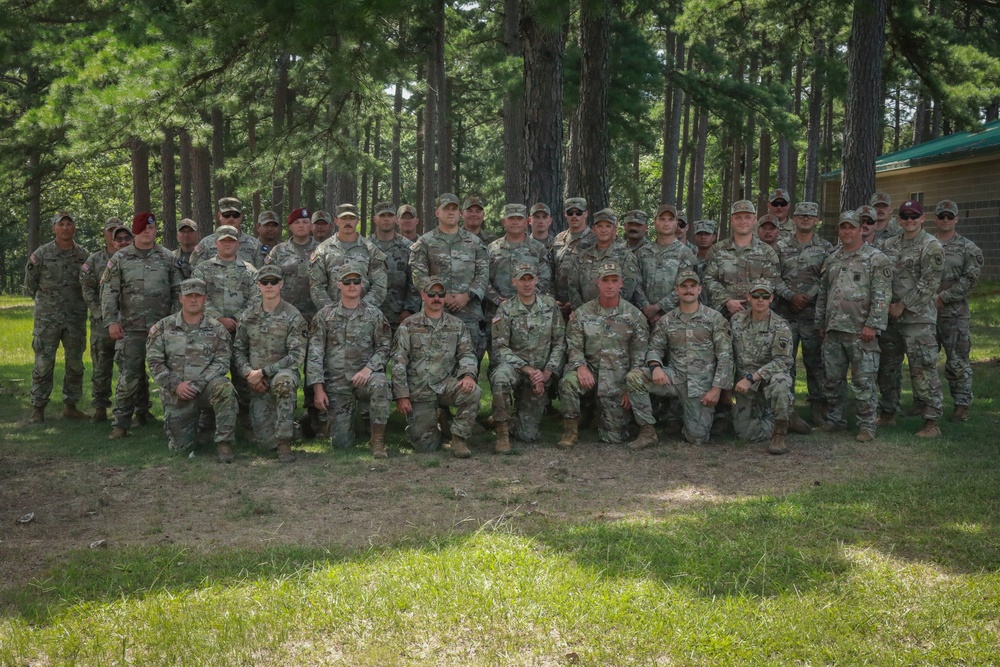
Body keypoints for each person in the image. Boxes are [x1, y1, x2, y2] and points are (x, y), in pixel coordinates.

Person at [627, 270, 732, 446]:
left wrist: (716, 389)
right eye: (684, 286)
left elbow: (725, 357)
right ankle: (647, 432)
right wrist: (656, 367)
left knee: (696, 438)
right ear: (677, 290)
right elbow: (654, 349)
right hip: (674, 377)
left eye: (692, 286)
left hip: (701, 384)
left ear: (699, 289)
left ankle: (685, 420)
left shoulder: (714, 319)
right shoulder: (667, 320)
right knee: (635, 378)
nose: (688, 290)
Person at [558, 262, 656, 449]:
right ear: (598, 283)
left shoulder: (634, 316)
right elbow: (574, 346)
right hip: (590, 372)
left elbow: (639, 356)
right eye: (605, 280)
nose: (610, 285)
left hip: (618, 378)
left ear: (621, 284)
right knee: (568, 382)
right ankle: (570, 431)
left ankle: (603, 417)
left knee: (613, 437)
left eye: (614, 280)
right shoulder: (582, 314)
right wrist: (581, 366)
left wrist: (631, 389)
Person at [101, 212, 180, 438]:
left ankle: (172, 422)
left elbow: (177, 292)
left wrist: (175, 322)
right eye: (143, 227)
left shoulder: (167, 257)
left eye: (151, 228)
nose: (148, 231)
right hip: (130, 327)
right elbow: (109, 292)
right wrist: (111, 321)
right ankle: (121, 424)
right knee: (129, 377)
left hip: (162, 328)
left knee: (169, 376)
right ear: (135, 230)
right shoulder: (120, 258)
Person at [815, 210, 891, 442]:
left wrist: (873, 325)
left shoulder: (876, 259)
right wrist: (820, 322)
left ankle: (867, 425)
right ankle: (835, 420)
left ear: (861, 229)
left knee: (863, 380)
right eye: (843, 227)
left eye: (852, 227)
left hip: (860, 331)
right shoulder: (832, 257)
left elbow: (882, 295)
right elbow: (824, 292)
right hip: (833, 329)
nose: (847, 231)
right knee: (832, 379)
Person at [146, 278, 238, 461]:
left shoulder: (217, 329)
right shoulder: (163, 327)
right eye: (189, 296)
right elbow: (154, 362)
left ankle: (224, 444)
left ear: (205, 299)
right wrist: (175, 386)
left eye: (198, 296)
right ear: (181, 298)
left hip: (205, 389)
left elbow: (222, 362)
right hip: (178, 394)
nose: (194, 300)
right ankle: (201, 425)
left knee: (225, 388)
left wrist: (198, 384)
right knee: (181, 449)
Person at [391, 276, 482, 458]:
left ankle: (458, 439)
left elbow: (467, 354)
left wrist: (468, 375)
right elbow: (398, 361)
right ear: (423, 295)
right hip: (419, 388)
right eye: (432, 293)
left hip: (445, 384)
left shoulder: (456, 325)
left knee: (473, 392)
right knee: (426, 447)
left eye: (440, 294)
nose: (436, 298)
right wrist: (402, 395)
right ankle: (438, 421)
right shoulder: (408, 325)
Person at [876, 200, 945, 438]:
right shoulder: (888, 244)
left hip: (918, 320)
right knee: (888, 368)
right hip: (891, 319)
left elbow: (930, 282)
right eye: (904, 216)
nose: (909, 220)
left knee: (923, 369)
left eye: (913, 216)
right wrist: (886, 306)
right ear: (899, 219)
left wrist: (902, 305)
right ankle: (887, 413)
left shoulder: (931, 246)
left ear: (922, 218)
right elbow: (881, 277)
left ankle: (931, 422)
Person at [307, 266, 393, 457]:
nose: (352, 285)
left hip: (365, 379)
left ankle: (377, 440)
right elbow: (314, 353)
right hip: (337, 384)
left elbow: (385, 347)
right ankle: (344, 423)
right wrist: (318, 389)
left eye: (356, 281)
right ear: (339, 285)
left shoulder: (375, 315)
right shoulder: (324, 316)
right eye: (347, 281)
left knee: (381, 383)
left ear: (362, 284)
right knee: (341, 444)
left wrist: (368, 370)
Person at [233, 265, 307, 462]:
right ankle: (295, 427)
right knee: (265, 443)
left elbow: (296, 356)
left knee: (284, 382)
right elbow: (238, 350)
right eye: (265, 282)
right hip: (255, 380)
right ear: (258, 285)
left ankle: (285, 444)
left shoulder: (293, 316)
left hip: (282, 373)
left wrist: (264, 372)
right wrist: (249, 374)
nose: (269, 286)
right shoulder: (248, 316)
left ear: (281, 284)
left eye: (273, 282)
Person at [490, 264, 566, 452]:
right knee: (500, 378)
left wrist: (546, 374)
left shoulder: (550, 306)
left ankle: (509, 419)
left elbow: (560, 343)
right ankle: (502, 433)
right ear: (514, 282)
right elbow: (500, 348)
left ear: (536, 280)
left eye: (530, 279)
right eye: (522, 280)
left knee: (528, 435)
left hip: (541, 372)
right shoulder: (505, 310)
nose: (526, 284)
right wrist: (529, 370)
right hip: (515, 369)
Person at [24, 211, 91, 423]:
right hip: (47, 320)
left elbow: (89, 285)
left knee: (75, 364)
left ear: (74, 228)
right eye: (60, 224)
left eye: (69, 224)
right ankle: (38, 408)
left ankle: (70, 406)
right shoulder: (41, 254)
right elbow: (31, 285)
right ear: (53, 228)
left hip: (75, 319)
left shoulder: (84, 256)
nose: (65, 228)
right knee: (43, 364)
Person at [774, 201, 834, 426]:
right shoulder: (780, 247)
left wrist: (806, 296)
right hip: (785, 313)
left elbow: (826, 279)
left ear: (816, 220)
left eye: (810, 216)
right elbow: (774, 276)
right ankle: (786, 410)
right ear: (794, 219)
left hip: (812, 315)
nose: (805, 219)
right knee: (784, 361)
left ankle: (819, 408)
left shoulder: (826, 248)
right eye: (801, 216)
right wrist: (791, 296)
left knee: (815, 362)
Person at [409, 193, 490, 358]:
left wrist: (467, 296)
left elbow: (483, 273)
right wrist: (441, 296)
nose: (451, 212)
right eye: (446, 209)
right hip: (435, 312)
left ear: (460, 213)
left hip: (469, 313)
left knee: (469, 363)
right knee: (433, 362)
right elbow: (419, 275)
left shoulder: (475, 242)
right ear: (437, 212)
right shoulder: (425, 242)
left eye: (454, 209)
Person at [730, 281, 798, 453]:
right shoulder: (736, 321)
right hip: (745, 385)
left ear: (771, 299)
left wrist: (752, 377)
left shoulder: (780, 325)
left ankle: (780, 432)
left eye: (765, 296)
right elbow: (727, 354)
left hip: (767, 380)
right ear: (748, 298)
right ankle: (786, 417)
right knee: (745, 435)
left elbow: (783, 361)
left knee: (781, 381)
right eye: (756, 296)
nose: (760, 300)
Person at [933, 199, 983, 422]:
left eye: (949, 216)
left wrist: (943, 297)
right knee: (923, 361)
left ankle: (961, 405)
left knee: (957, 362)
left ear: (956, 219)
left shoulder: (968, 248)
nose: (945, 220)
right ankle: (924, 403)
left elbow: (970, 280)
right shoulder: (927, 244)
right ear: (935, 218)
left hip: (954, 315)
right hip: (926, 314)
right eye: (942, 216)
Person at [80, 220, 132, 423]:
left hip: (128, 322)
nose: (116, 236)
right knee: (101, 366)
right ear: (106, 234)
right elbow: (87, 289)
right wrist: (100, 313)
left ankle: (135, 407)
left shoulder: (133, 258)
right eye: (111, 231)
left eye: (120, 232)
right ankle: (100, 407)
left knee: (129, 366)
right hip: (102, 323)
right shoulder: (95, 260)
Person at [703, 199, 781, 318]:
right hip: (722, 315)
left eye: (747, 217)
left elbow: (771, 282)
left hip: (755, 316)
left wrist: (753, 302)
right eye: (738, 217)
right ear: (732, 220)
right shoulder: (717, 250)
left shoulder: (766, 252)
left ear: (754, 220)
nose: (743, 221)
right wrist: (726, 300)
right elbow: (708, 279)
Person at [309, 204, 388, 313]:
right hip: (332, 318)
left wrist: (364, 310)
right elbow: (317, 286)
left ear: (357, 221)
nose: (348, 222)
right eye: (343, 218)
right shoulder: (323, 250)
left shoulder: (371, 249)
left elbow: (380, 285)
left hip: (364, 317)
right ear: (336, 221)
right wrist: (330, 312)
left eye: (352, 218)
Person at [486, 203, 553, 320]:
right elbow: (483, 278)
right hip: (498, 310)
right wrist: (497, 298)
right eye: (511, 218)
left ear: (526, 222)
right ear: (504, 221)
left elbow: (545, 279)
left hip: (530, 313)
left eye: (519, 218)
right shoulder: (492, 248)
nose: (515, 222)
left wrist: (526, 299)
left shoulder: (538, 248)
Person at [632, 203, 696, 326]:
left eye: (670, 219)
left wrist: (658, 308)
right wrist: (646, 308)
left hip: (674, 319)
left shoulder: (685, 253)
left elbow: (685, 286)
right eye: (662, 219)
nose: (666, 223)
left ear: (676, 223)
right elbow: (636, 283)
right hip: (642, 318)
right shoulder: (642, 252)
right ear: (655, 222)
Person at [567, 209, 639, 310]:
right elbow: (572, 285)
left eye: (608, 226)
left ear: (614, 229)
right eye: (599, 226)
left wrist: (608, 310)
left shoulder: (625, 256)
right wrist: (581, 310)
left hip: (615, 314)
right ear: (593, 229)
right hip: (585, 316)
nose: (603, 230)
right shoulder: (583, 256)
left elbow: (628, 288)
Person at [369, 201, 419, 331]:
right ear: (375, 219)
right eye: (382, 215)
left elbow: (415, 282)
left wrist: (410, 309)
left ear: (396, 219)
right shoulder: (365, 246)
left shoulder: (408, 247)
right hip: (369, 315)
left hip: (400, 317)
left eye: (390, 215)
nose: (386, 219)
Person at [265, 208, 318, 321]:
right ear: (290, 227)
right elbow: (268, 280)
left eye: (305, 222)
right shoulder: (278, 251)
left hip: (316, 312)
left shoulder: (322, 249)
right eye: (296, 222)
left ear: (311, 226)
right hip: (284, 313)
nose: (301, 226)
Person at [189, 197, 265, 267]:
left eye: (235, 215)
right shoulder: (205, 243)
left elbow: (261, 273)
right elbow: (196, 269)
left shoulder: (255, 244)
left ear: (241, 216)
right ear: (219, 216)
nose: (231, 218)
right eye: (227, 215)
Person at [552, 196, 594, 318]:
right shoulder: (559, 239)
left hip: (583, 306)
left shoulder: (595, 240)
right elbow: (551, 270)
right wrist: (552, 299)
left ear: (586, 213)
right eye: (570, 212)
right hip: (558, 305)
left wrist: (575, 302)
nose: (574, 216)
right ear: (565, 214)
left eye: (579, 212)